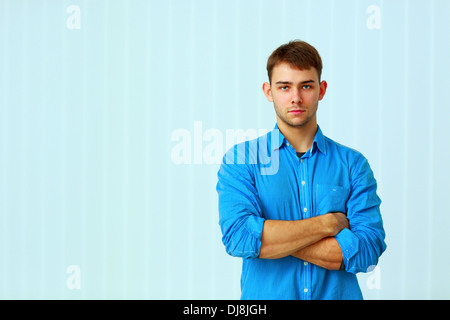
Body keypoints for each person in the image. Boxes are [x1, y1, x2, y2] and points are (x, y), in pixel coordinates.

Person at [216, 40, 387, 300]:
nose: (296, 97)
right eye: (284, 87)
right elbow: (239, 237)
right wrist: (327, 224)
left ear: (321, 90)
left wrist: (271, 239)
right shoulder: (241, 160)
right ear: (268, 91)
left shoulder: (353, 164)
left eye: (306, 86)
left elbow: (367, 251)